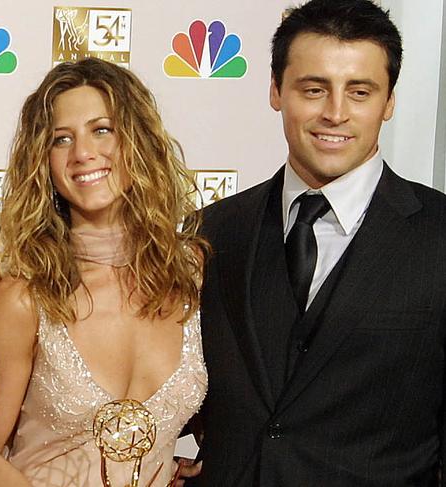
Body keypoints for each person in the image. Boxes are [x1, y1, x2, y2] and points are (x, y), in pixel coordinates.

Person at [192, 0, 446, 485]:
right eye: (314, 89)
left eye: (359, 92)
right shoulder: (209, 232)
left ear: (389, 101)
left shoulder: (439, 234)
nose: (335, 113)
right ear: (276, 91)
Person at [0, 58, 208, 486]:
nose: (83, 152)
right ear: (42, 162)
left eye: (102, 129)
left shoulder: (191, 273)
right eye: (61, 139)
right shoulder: (28, 296)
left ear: (136, 140)